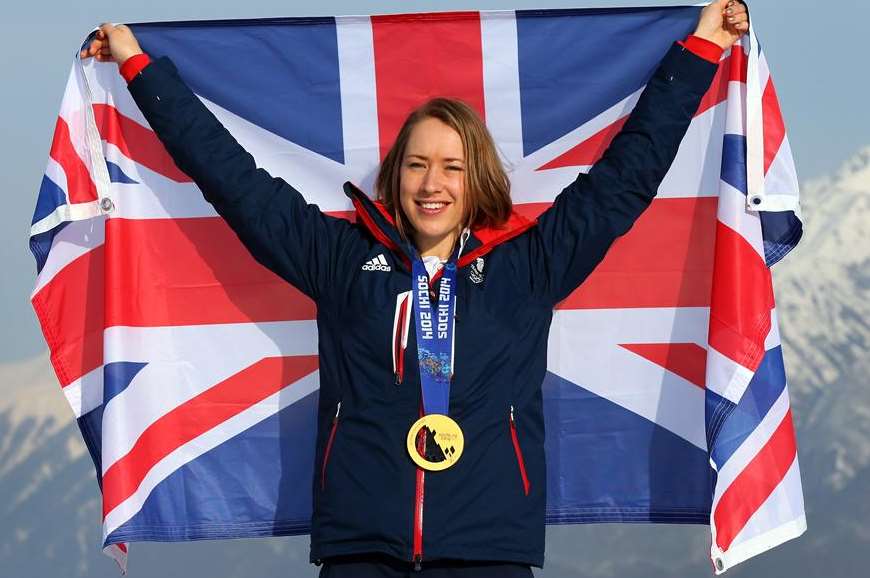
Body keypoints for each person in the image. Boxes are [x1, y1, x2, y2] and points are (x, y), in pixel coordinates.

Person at [82, 2, 749, 576]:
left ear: (477, 177)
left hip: (490, 549)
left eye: (452, 167)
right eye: (418, 165)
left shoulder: (528, 267)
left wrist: (701, 48)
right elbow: (235, 183)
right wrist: (141, 68)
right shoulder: (340, 263)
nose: (433, 184)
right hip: (361, 548)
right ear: (394, 177)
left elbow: (624, 178)